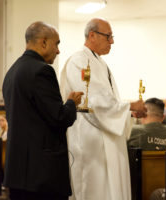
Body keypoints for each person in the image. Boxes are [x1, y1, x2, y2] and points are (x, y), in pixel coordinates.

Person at [59, 18, 146, 200]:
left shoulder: (100, 63)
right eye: (108, 36)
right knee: (94, 190)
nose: (112, 41)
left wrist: (128, 111)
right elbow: (93, 101)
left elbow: (108, 101)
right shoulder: (79, 61)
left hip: (107, 137)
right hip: (90, 141)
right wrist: (128, 105)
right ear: (92, 35)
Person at [2, 21, 83, 200]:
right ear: (44, 42)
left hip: (18, 173)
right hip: (42, 176)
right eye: (57, 43)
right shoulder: (42, 71)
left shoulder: (12, 72)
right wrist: (71, 103)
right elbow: (59, 118)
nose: (58, 50)